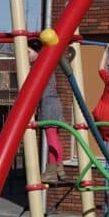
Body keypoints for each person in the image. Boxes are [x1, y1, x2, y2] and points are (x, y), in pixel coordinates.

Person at [28, 39, 75, 185]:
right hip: (54, 103)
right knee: (54, 138)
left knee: (51, 139)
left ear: (37, 52)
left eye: (28, 52)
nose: (26, 56)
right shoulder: (46, 63)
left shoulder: (39, 65)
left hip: (49, 104)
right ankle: (58, 171)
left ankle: (52, 172)